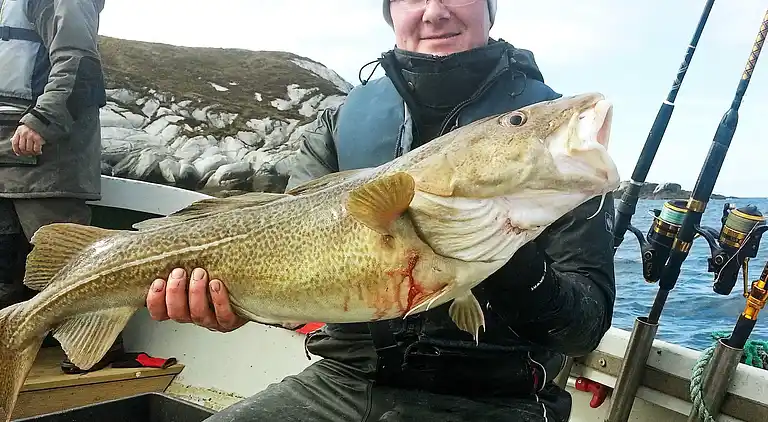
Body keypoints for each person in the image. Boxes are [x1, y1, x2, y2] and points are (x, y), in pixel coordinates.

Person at [146, 1, 616, 420]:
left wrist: (510, 255)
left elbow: (584, 328)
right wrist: (235, 306)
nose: (434, 12)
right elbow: (282, 245)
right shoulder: (339, 122)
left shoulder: (552, 148)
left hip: (500, 400)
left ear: (492, 8)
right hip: (343, 382)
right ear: (391, 11)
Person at [0, 0, 121, 372]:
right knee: (5, 262)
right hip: (8, 156)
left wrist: (41, 120)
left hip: (48, 159)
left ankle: (99, 351)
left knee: (66, 263)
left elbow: (78, 63)